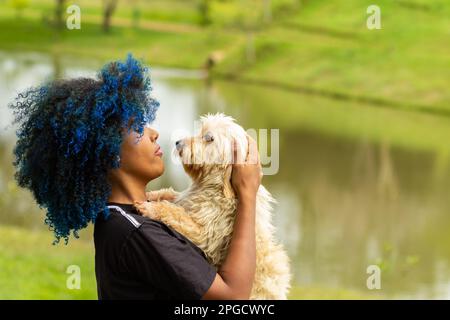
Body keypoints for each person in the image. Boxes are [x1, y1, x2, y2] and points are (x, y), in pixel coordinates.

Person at [10, 55, 261, 299]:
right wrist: (248, 194)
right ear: (109, 152)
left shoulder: (124, 218)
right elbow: (234, 299)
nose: (153, 133)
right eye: (138, 128)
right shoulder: (136, 232)